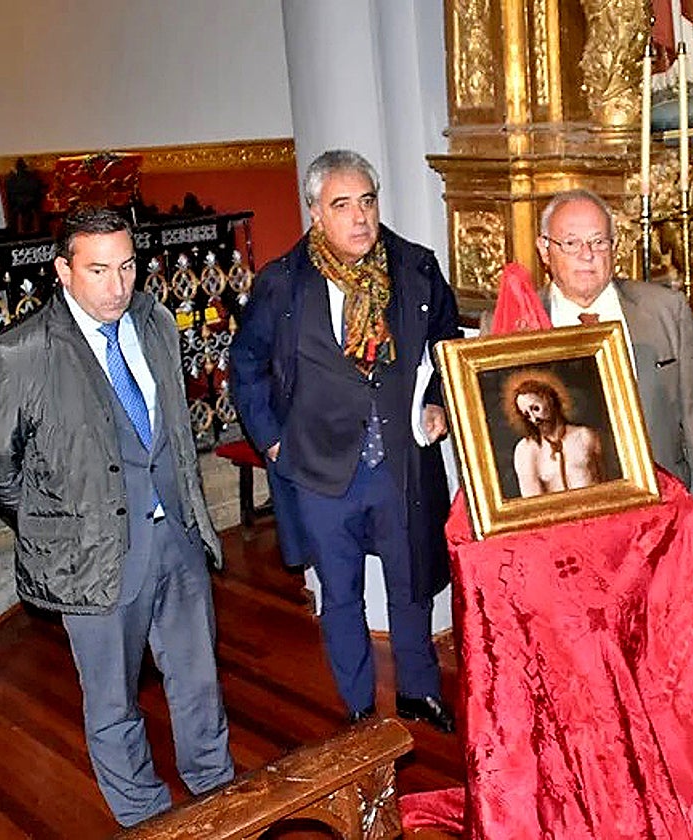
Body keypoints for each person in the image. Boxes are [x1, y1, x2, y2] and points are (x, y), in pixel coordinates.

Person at [0, 206, 235, 827]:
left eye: (127, 266)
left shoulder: (155, 321)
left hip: (175, 538)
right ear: (63, 271)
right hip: (93, 558)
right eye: (98, 270)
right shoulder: (23, 352)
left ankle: (221, 799)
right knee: (113, 703)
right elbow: (1, 468)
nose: (117, 285)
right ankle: (147, 821)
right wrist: (58, 523)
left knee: (199, 680)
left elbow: (173, 433)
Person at [230, 150, 460, 733]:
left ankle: (418, 691)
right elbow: (247, 363)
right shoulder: (282, 284)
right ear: (315, 213)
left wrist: (441, 407)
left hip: (400, 461)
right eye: (342, 205)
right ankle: (359, 708)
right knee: (340, 595)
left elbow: (448, 344)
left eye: (367, 201)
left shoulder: (416, 268)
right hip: (319, 470)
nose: (360, 217)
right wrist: (272, 441)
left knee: (410, 586)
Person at [534, 188, 693, 531]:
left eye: (598, 242)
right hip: (558, 519)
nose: (587, 255)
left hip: (657, 504)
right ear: (544, 250)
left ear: (614, 248)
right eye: (571, 243)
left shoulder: (665, 310)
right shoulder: (518, 320)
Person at [507, 372, 605, 496]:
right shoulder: (526, 450)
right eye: (527, 415)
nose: (534, 419)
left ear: (550, 399)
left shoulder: (586, 436)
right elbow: (533, 503)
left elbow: (605, 484)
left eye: (536, 409)